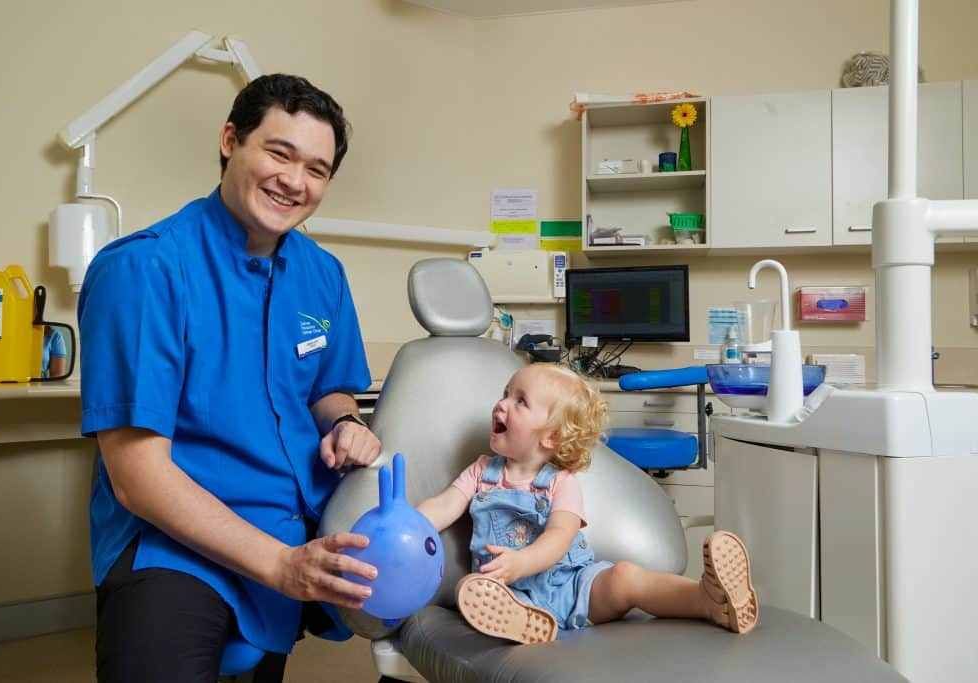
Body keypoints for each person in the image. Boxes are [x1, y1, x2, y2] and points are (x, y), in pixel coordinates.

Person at [79, 74, 383, 683]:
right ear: (229, 141)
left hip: (283, 528)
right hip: (173, 545)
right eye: (279, 152)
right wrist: (280, 566)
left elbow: (328, 387)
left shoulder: (322, 274)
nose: (295, 181)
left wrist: (346, 421)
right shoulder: (146, 269)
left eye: (317, 169)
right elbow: (139, 479)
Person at [417, 364, 759, 644]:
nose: (501, 404)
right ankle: (525, 624)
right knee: (469, 588)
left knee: (625, 576)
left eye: (520, 401)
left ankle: (709, 600)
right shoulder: (481, 471)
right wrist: (407, 523)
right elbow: (444, 505)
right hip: (508, 591)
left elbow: (558, 536)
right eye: (505, 394)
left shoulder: (560, 482)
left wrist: (522, 561)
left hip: (574, 584)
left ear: (550, 436)